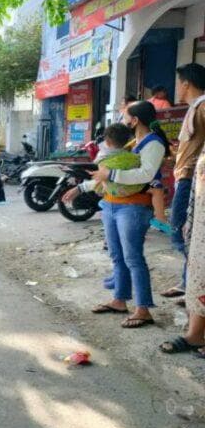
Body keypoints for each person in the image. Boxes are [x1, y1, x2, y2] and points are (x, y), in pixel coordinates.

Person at [65, 100, 170, 328]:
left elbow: (145, 174)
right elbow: (106, 176)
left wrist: (110, 175)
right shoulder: (133, 142)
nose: (122, 119)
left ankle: (143, 309)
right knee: (117, 256)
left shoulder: (153, 143)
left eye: (125, 115)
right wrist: (81, 188)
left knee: (133, 258)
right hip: (112, 204)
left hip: (133, 207)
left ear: (135, 120)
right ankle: (119, 300)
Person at [160, 63, 205, 299]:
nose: (176, 88)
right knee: (186, 233)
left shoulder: (202, 106)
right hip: (185, 178)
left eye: (178, 83)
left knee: (180, 233)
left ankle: (195, 284)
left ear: (186, 84)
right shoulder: (194, 108)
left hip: (191, 180)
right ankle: (189, 283)